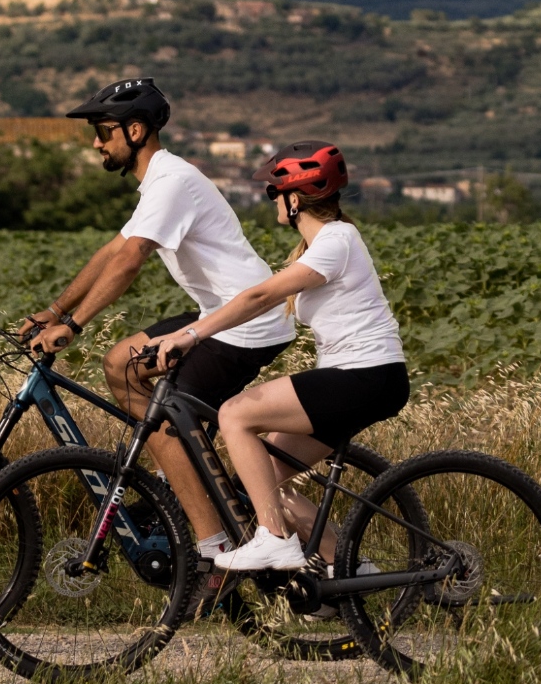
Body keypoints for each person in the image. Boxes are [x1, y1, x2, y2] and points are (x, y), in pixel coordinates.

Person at [21, 77, 293, 566]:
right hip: (222, 313)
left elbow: (131, 260)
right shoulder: (161, 182)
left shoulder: (172, 182)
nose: (96, 144)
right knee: (120, 365)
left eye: (104, 132)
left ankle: (211, 549)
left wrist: (74, 325)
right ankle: (181, 475)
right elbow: (114, 250)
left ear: (136, 130)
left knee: (162, 416)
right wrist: (55, 312)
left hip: (247, 323)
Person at [158, 139, 409, 574]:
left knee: (235, 414)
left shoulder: (337, 239)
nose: (272, 199)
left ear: (296, 199)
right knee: (266, 482)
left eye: (275, 191)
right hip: (359, 377)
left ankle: (274, 540)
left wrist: (192, 335)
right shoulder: (320, 246)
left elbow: (259, 297)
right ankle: (351, 573)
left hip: (366, 376)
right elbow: (256, 304)